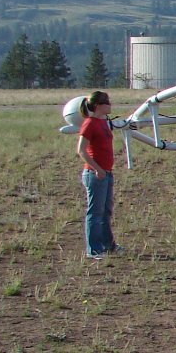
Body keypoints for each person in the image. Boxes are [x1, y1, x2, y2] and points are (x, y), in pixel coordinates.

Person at [75, 91, 119, 259]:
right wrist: (97, 169)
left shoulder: (103, 123)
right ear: (98, 106)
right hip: (96, 175)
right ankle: (93, 249)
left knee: (106, 211)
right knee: (95, 212)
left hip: (106, 173)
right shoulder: (90, 123)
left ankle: (108, 245)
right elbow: (81, 150)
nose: (110, 105)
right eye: (106, 102)